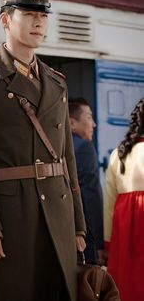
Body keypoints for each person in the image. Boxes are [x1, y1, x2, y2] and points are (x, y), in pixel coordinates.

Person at [0, 0, 86, 301]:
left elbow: (67, 161)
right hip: (10, 217)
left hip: (58, 214)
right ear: (4, 20)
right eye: (28, 14)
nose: (39, 22)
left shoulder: (56, 82)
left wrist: (79, 225)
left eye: (43, 15)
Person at [104, 97, 144, 301]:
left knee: (125, 285)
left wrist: (108, 241)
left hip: (124, 227)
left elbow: (109, 203)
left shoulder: (117, 155)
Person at [69, 98, 104, 264]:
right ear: (71, 123)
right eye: (89, 117)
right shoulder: (83, 148)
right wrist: (99, 243)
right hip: (83, 238)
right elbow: (90, 196)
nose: (94, 124)